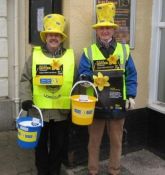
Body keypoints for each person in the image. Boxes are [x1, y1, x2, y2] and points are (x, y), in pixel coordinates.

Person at [78, 2, 137, 175]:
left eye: (108, 28)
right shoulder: (88, 52)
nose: (105, 31)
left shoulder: (124, 51)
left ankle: (114, 170)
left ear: (113, 30)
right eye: (101, 28)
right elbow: (83, 74)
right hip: (96, 105)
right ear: (97, 31)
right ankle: (93, 171)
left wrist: (131, 95)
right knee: (93, 142)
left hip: (118, 105)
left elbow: (131, 75)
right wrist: (88, 78)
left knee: (116, 142)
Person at [20, 14, 75, 175]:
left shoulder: (69, 57)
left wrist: (79, 102)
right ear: (46, 37)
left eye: (57, 35)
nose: (54, 38)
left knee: (58, 145)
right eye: (50, 34)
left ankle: (55, 171)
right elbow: (25, 79)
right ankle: (42, 172)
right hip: (39, 112)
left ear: (61, 38)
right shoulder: (35, 56)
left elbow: (76, 80)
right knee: (40, 145)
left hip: (61, 112)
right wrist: (26, 99)